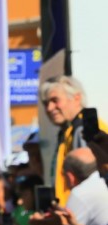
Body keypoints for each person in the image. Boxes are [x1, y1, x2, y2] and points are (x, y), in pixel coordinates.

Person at [40, 75, 86, 205]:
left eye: (55, 100)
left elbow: (91, 180)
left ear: (77, 98)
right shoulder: (68, 132)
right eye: (46, 103)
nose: (49, 108)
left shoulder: (84, 130)